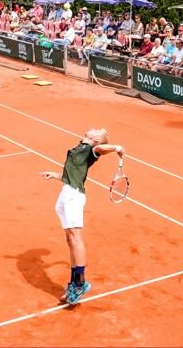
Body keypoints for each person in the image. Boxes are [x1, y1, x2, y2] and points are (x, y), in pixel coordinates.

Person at [39, 128, 125, 305]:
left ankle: (80, 283)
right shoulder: (79, 148)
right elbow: (71, 173)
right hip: (66, 194)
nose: (93, 128)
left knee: (75, 238)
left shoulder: (91, 150)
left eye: (97, 131)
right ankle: (73, 283)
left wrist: (116, 147)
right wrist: (55, 175)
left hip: (73, 197)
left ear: (94, 140)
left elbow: (101, 149)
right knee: (70, 240)